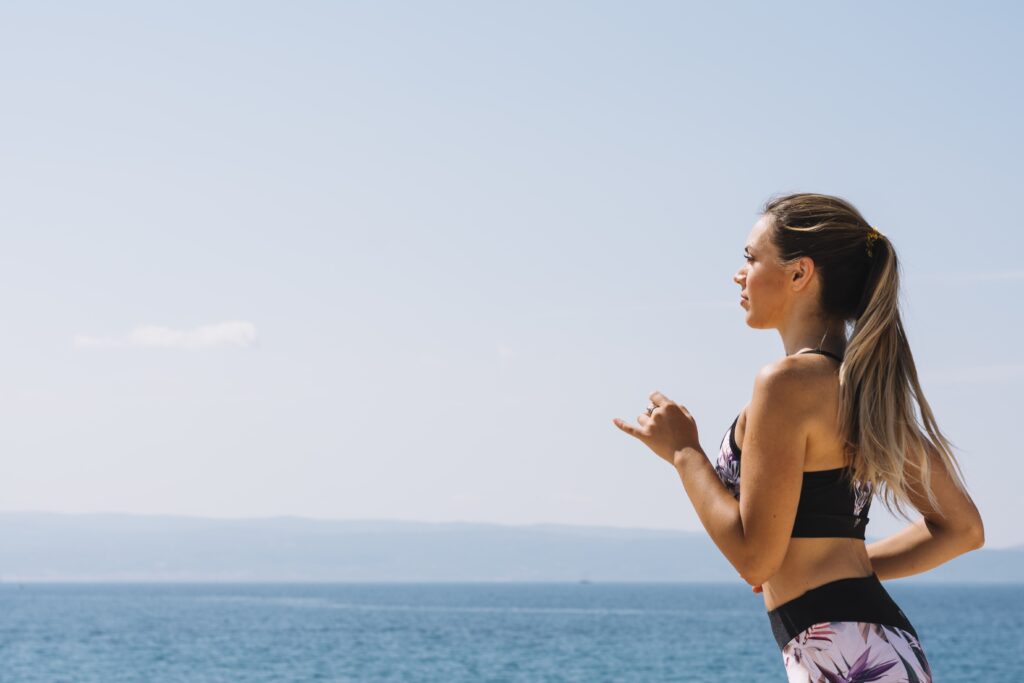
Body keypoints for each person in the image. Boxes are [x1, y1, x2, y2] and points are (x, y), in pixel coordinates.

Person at [612, 192, 984, 681]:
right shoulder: (863, 391)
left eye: (750, 257)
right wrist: (851, 565)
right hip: (873, 647)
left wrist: (684, 451)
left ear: (799, 273)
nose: (738, 273)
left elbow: (754, 560)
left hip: (845, 652)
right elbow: (964, 528)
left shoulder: (785, 384)